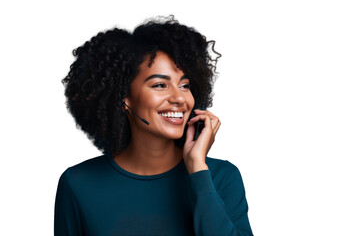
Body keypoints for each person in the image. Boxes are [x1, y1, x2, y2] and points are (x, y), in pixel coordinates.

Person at [55, 15, 253, 236]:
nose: (179, 98)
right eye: (160, 84)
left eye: (185, 85)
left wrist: (197, 169)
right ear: (123, 98)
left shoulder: (220, 177)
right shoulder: (78, 184)